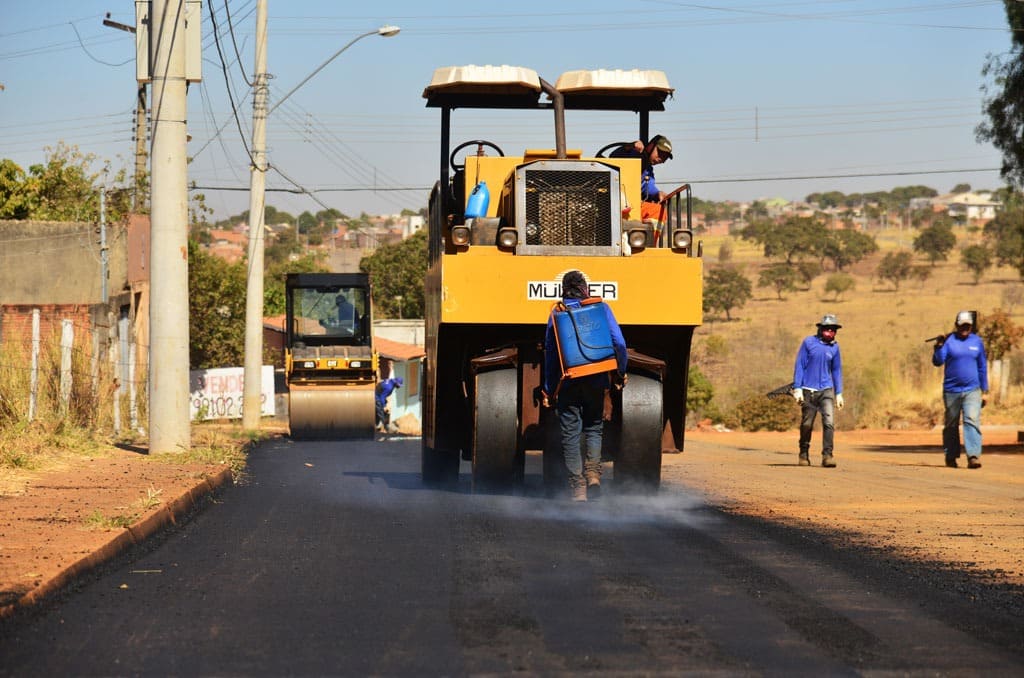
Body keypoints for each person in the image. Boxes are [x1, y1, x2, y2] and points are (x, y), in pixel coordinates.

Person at [542, 270, 628, 501]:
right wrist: (619, 371)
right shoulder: (601, 308)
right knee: (594, 426)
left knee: (570, 433)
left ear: (563, 290)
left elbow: (551, 356)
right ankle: (593, 476)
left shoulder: (556, 314)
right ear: (584, 289)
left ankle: (577, 488)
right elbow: (619, 342)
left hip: (569, 381)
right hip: (596, 379)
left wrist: (549, 389)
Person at [932, 311, 988, 469]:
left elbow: (982, 366)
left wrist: (985, 390)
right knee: (951, 423)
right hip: (951, 390)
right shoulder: (949, 341)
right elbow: (938, 361)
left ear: (971, 326)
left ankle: (973, 456)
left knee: (971, 419)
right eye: (962, 325)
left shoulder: (977, 342)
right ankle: (950, 456)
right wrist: (938, 346)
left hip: (972, 389)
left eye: (967, 325)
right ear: (956, 325)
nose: (965, 328)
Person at [792, 313, 845, 468]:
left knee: (829, 423)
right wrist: (797, 388)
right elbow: (800, 365)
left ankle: (827, 455)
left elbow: (836, 370)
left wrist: (839, 393)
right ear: (821, 329)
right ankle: (803, 454)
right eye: (828, 329)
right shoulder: (809, 343)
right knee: (807, 424)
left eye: (833, 330)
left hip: (826, 390)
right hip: (808, 390)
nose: (830, 332)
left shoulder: (835, 348)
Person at [609, 134, 673, 222]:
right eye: (660, 153)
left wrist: (657, 193)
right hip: (613, 199)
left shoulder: (648, 170)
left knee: (659, 211)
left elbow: (648, 187)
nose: (661, 159)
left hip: (633, 204)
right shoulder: (632, 153)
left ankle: (646, 235)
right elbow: (613, 157)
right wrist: (629, 146)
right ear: (651, 146)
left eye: (665, 157)